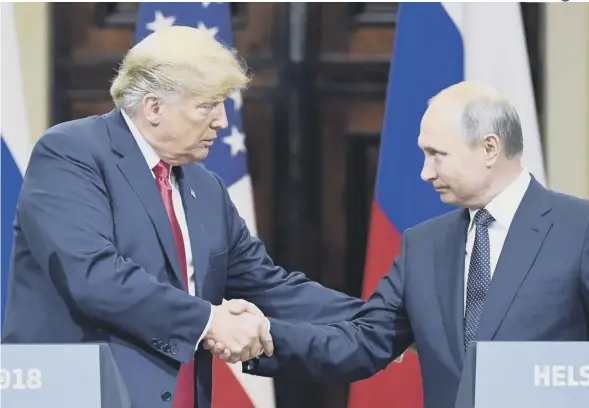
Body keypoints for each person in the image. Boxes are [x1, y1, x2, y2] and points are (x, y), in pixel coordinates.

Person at [1, 26, 363, 408]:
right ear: (154, 107)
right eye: (208, 105)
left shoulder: (205, 188)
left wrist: (383, 319)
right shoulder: (71, 154)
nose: (223, 121)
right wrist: (211, 321)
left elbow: (269, 286)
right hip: (79, 394)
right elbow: (93, 275)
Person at [239, 81, 589, 408]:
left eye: (437, 154)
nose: (426, 172)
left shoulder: (582, 229)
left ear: (489, 147)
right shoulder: (423, 245)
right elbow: (363, 342)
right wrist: (265, 336)